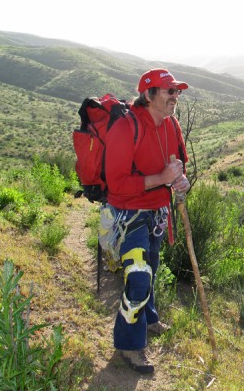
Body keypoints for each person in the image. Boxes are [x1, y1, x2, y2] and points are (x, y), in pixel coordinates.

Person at [104, 68, 190, 374]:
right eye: (169, 91)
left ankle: (149, 318)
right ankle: (129, 345)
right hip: (129, 215)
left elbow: (178, 166)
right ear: (149, 94)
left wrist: (180, 180)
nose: (175, 97)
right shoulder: (126, 128)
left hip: (157, 213)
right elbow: (116, 185)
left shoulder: (172, 125)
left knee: (150, 268)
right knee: (139, 278)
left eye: (177, 91)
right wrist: (161, 179)